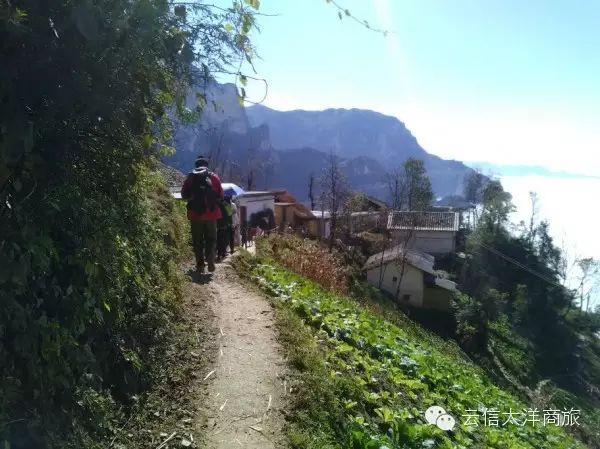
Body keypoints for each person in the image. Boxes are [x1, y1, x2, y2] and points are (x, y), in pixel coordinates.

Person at [181, 156, 223, 273]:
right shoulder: (214, 177)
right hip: (212, 214)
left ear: (196, 166)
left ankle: (200, 264)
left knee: (197, 240)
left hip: (195, 215)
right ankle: (210, 261)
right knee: (211, 239)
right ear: (206, 165)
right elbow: (220, 195)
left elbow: (184, 195)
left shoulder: (190, 178)